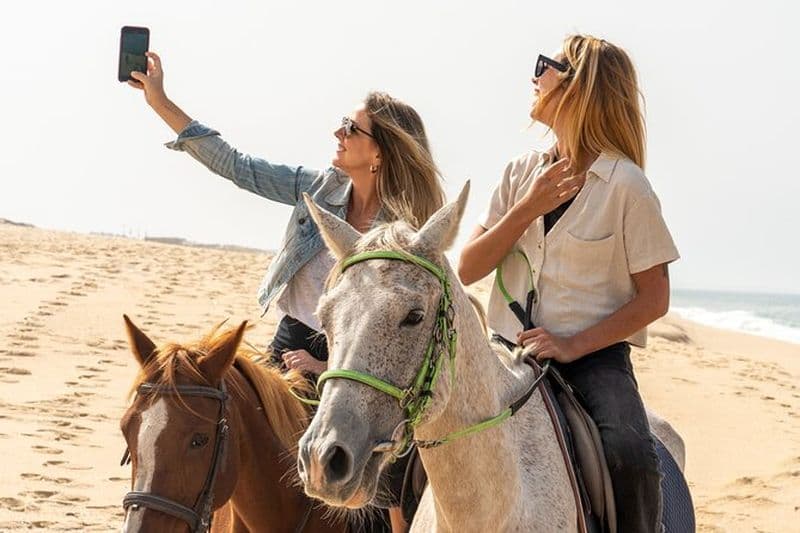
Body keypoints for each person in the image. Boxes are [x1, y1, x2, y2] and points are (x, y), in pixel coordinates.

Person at [129, 51, 445, 533]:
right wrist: (160, 102)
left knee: (394, 463)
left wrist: (327, 368)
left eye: (350, 129)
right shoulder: (318, 189)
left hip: (367, 362)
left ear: (379, 152)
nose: (337, 134)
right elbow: (238, 165)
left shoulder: (404, 230)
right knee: (218, 427)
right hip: (288, 341)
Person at [458, 35, 679, 532]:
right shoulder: (519, 174)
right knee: (416, 441)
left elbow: (655, 298)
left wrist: (574, 344)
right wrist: (526, 209)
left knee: (630, 452)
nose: (535, 77)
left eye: (546, 66)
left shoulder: (626, 186)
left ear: (580, 87)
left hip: (594, 359)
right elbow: (467, 267)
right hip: (503, 353)